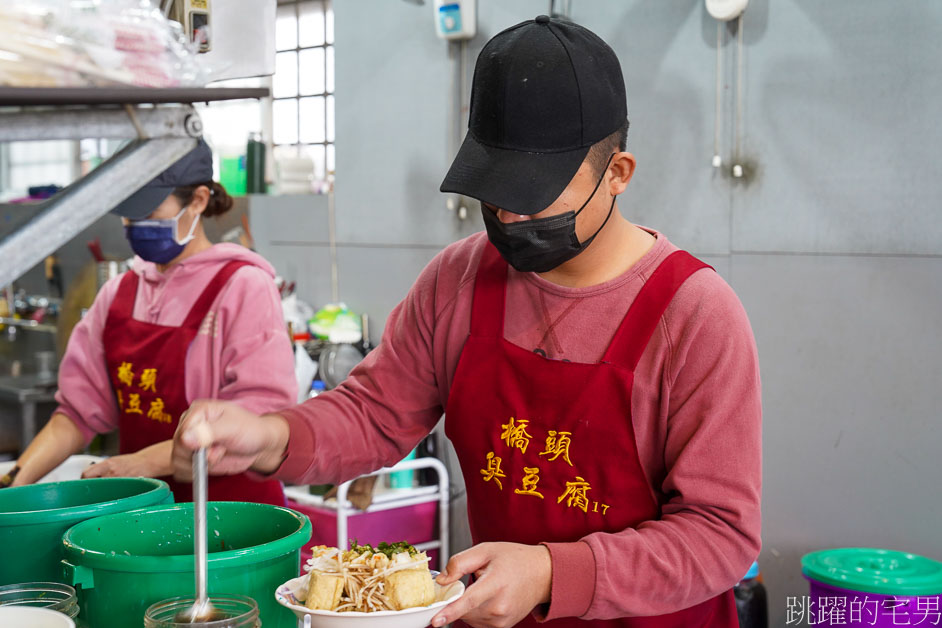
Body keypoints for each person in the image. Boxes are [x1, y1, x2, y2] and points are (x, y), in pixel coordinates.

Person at [172, 16, 761, 627]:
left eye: (533, 192)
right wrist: (271, 437)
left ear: (617, 174)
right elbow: (375, 413)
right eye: (493, 188)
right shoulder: (459, 280)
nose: (507, 214)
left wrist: (553, 573)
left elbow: (721, 532)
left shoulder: (692, 315)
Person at [8, 140, 295, 506]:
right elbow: (78, 413)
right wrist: (16, 480)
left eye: (151, 212)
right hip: (146, 516)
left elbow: (257, 421)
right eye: (130, 215)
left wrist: (139, 463)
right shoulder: (120, 293)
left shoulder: (243, 287)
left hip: (234, 516)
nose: (137, 226)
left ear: (198, 200)